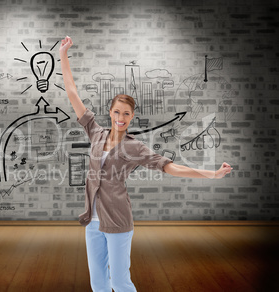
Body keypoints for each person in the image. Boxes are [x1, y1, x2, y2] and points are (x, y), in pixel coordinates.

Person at [59, 36, 232, 292]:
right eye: (117, 112)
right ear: (110, 111)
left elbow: (169, 166)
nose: (120, 117)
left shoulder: (134, 146)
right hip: (92, 222)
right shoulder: (95, 132)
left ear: (131, 117)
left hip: (118, 222)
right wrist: (63, 54)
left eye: (126, 114)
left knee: (119, 281)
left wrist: (212, 174)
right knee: (98, 284)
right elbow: (72, 92)